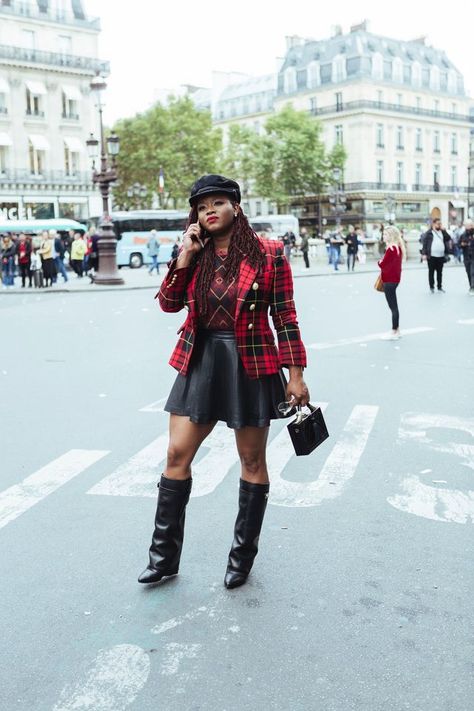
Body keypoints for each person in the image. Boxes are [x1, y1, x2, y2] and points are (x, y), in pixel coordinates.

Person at [138, 174, 309, 590]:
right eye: (201, 206)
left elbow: (284, 316)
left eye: (217, 202)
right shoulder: (194, 253)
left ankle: (241, 557)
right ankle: (163, 558)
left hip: (250, 363)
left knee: (252, 461)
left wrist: (296, 374)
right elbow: (167, 304)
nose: (209, 211)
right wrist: (183, 258)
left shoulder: (269, 254)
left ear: (236, 206)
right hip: (200, 359)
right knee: (177, 454)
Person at [377, 225, 405, 340]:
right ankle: (396, 330)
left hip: (389, 280)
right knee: (394, 306)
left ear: (391, 236)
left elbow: (382, 264)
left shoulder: (391, 249)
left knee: (393, 307)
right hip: (395, 279)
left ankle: (395, 331)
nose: (383, 236)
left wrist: (379, 261)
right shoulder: (397, 247)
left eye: (385, 234)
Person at [421, 217, 452, 293]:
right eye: (438, 224)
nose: (440, 225)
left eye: (440, 223)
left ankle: (439, 287)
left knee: (440, 272)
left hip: (441, 256)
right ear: (434, 224)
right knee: (431, 272)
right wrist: (424, 254)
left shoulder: (442, 232)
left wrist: (443, 230)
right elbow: (425, 244)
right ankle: (431, 287)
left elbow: (448, 238)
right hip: (431, 256)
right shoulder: (429, 233)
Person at [459, 220, 474, 294]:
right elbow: (459, 245)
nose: (467, 227)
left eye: (469, 225)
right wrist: (462, 245)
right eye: (466, 226)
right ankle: (471, 286)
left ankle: (472, 287)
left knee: (472, 272)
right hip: (466, 256)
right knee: (468, 272)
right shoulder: (463, 235)